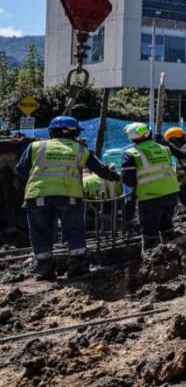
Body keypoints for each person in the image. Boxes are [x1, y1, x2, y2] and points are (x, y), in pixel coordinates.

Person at [16, 116, 120, 280]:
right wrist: (117, 176)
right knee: (74, 231)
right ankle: (77, 267)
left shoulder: (35, 146)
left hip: (37, 196)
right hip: (69, 197)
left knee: (41, 233)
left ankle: (44, 268)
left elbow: (21, 170)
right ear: (75, 133)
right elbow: (101, 170)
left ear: (52, 132)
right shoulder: (80, 149)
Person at [121, 122, 181, 250]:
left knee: (150, 231)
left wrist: (129, 206)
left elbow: (128, 181)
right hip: (171, 194)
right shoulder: (165, 149)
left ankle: (151, 259)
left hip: (150, 197)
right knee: (167, 223)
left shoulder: (130, 153)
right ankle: (172, 253)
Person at [157, 127, 186, 233]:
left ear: (175, 139)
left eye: (171, 141)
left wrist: (167, 144)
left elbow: (182, 154)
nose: (171, 144)